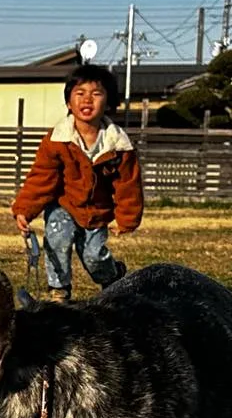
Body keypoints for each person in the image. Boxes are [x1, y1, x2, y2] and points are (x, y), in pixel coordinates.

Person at [11, 62, 142, 301]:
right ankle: (58, 289)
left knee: (94, 256)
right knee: (57, 239)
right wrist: (24, 210)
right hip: (64, 204)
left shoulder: (118, 144)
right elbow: (42, 176)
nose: (87, 100)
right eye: (79, 94)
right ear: (69, 102)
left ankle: (112, 277)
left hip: (97, 210)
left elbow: (127, 185)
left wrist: (127, 218)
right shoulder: (58, 139)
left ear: (109, 102)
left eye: (96, 94)